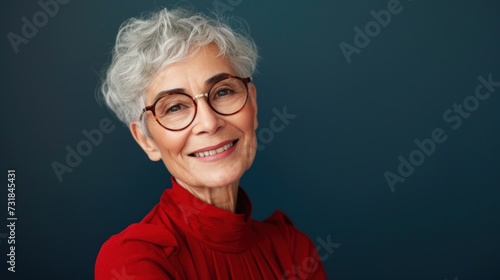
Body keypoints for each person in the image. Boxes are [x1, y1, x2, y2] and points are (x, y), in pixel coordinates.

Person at [95, 7, 326, 280]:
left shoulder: (292, 249)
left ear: (252, 103)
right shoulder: (132, 261)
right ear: (146, 140)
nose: (208, 122)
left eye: (223, 91)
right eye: (174, 107)